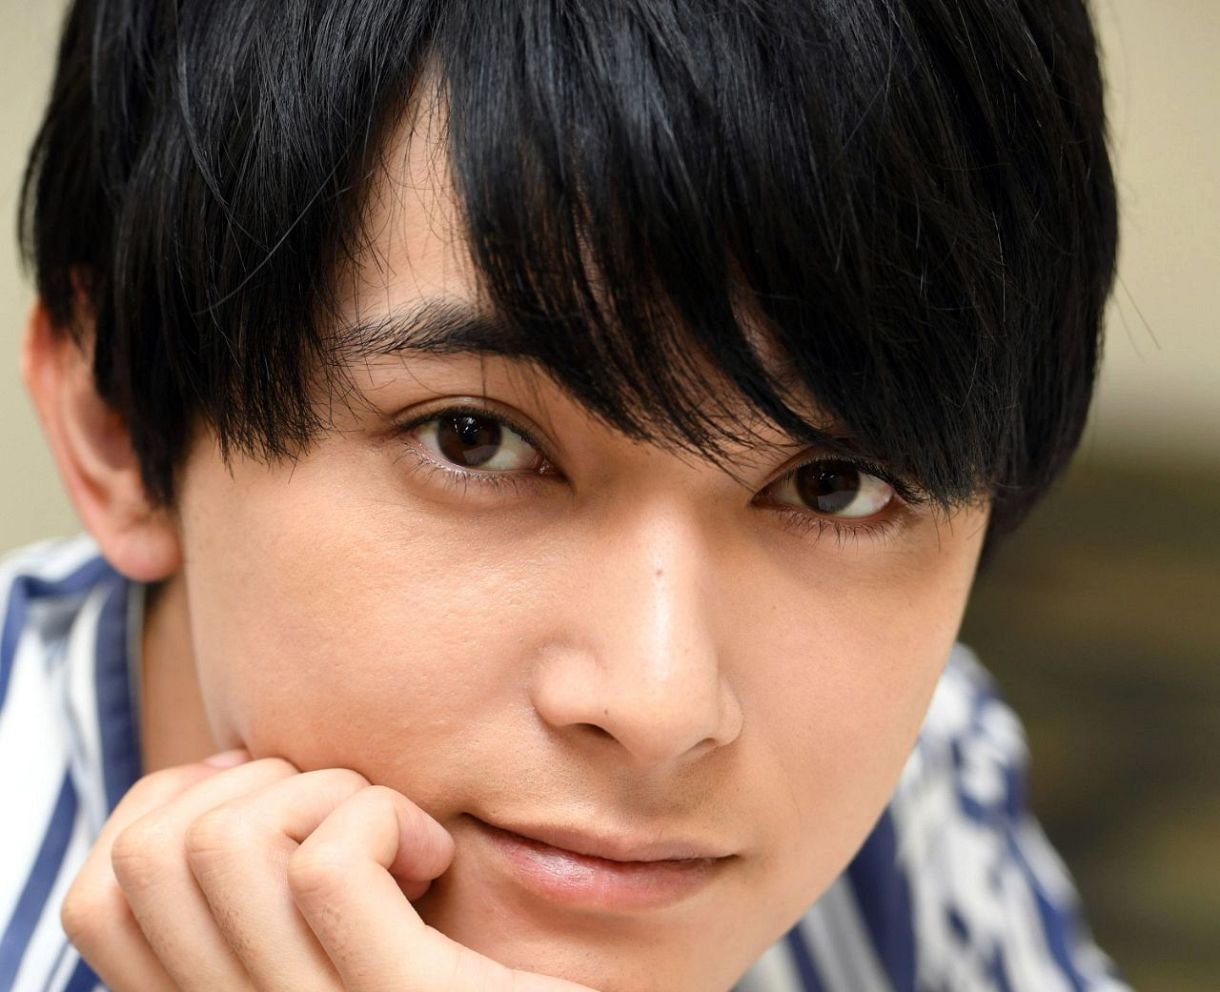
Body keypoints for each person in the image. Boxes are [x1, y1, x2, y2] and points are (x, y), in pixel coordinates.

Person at [0, 0, 1131, 989]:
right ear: (117, 424)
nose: (660, 702)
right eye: (475, 439)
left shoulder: (917, 766)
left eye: (833, 487)